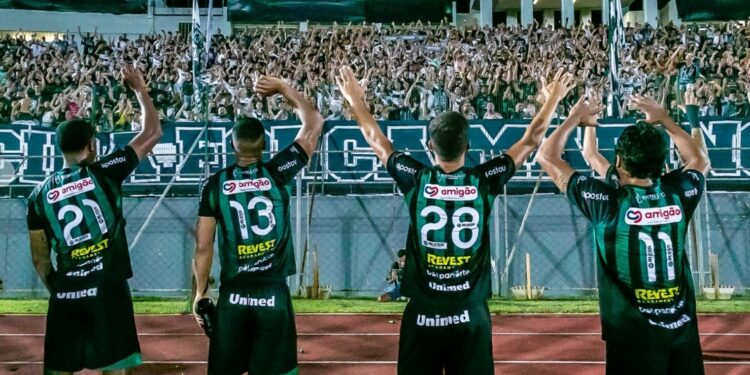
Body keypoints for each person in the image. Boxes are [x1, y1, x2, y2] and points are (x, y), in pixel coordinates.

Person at [336, 65, 575, 375]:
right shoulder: (484, 180)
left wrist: (355, 99)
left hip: (423, 314)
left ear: (429, 146)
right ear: (468, 147)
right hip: (470, 314)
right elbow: (531, 140)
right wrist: (553, 98)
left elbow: (374, 137)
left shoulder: (417, 178)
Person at [537, 94, 710, 375]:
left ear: (618, 160)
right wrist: (665, 118)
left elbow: (546, 156)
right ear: (662, 162)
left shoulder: (608, 202)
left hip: (632, 337)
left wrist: (574, 118)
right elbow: (699, 158)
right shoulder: (678, 193)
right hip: (681, 331)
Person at [25, 65, 162, 374]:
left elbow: (40, 259)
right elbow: (152, 132)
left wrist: (60, 289)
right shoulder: (105, 171)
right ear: (91, 146)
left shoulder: (38, 195)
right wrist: (140, 89)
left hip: (66, 292)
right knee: (114, 367)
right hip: (107, 289)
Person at [192, 75, 323, 375]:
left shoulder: (214, 185)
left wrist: (200, 293)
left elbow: (203, 246)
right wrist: (285, 89)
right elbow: (314, 122)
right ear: (265, 145)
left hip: (233, 297)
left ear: (233, 145)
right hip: (273, 295)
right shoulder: (278, 172)